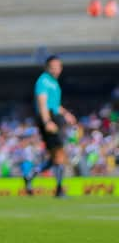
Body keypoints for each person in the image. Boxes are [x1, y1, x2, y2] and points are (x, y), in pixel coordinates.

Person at [24, 55, 77, 197]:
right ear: (47, 67)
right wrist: (47, 122)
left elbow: (55, 105)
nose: (56, 69)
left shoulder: (54, 83)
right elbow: (42, 103)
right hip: (47, 119)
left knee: (56, 156)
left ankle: (30, 175)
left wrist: (66, 114)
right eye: (53, 67)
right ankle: (59, 189)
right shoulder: (43, 81)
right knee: (60, 153)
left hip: (54, 117)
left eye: (58, 67)